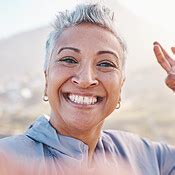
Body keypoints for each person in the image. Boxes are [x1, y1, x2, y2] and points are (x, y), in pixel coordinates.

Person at [0, 3, 175, 175]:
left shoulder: (141, 156)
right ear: (47, 80)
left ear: (121, 87)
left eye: (105, 63)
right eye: (69, 60)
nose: (86, 80)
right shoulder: (8, 159)